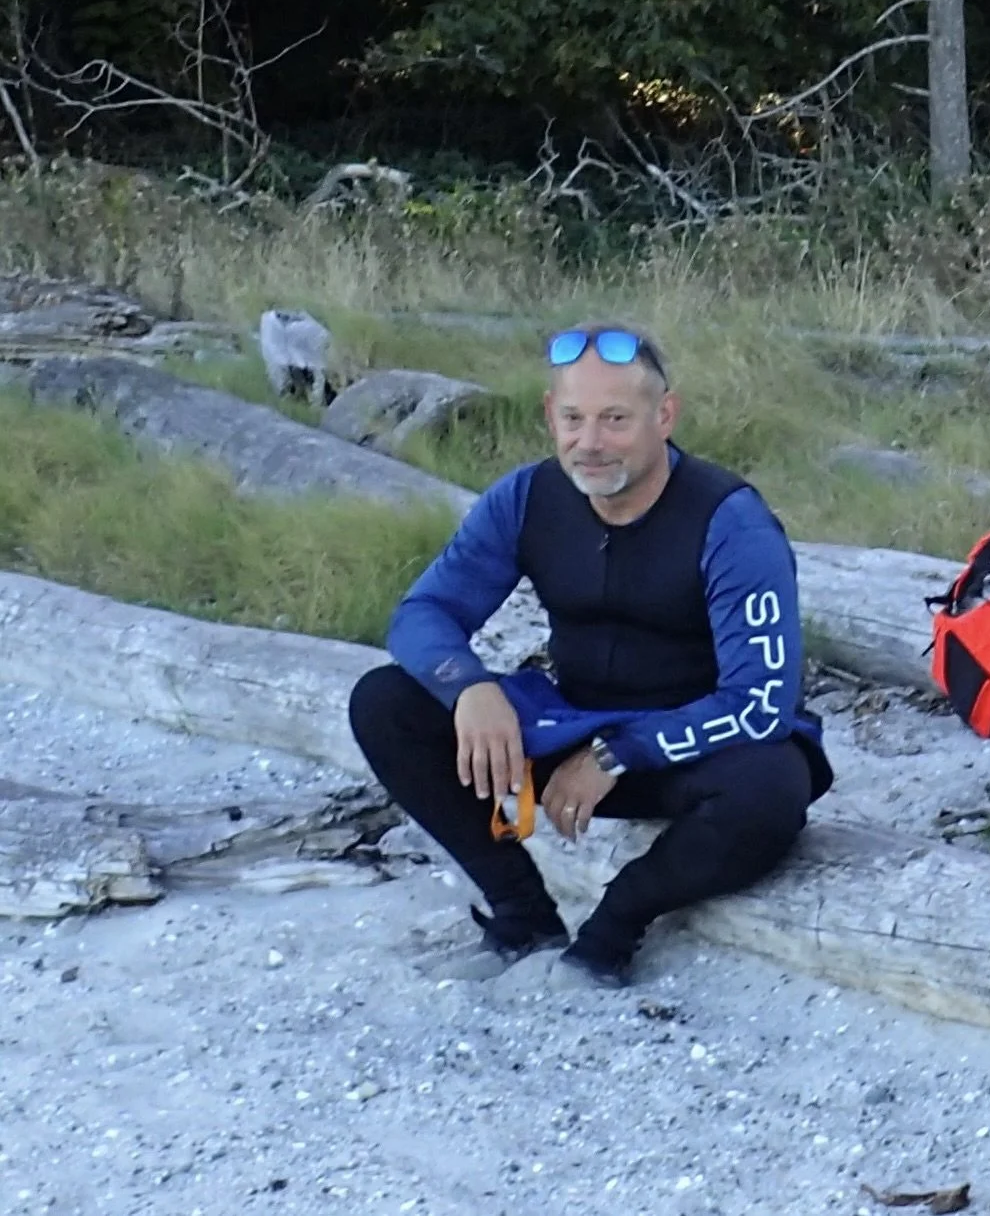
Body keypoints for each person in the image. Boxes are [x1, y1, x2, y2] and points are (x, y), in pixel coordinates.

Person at [347, 322, 834, 988]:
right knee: (385, 702)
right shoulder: (526, 498)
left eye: (615, 419)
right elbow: (422, 613)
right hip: (569, 726)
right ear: (551, 415)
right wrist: (469, 688)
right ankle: (523, 916)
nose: (590, 443)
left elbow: (761, 703)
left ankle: (613, 929)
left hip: (691, 749)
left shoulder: (731, 522)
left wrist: (619, 752)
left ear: (664, 416)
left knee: (773, 788)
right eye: (574, 418)